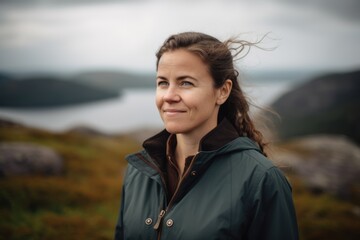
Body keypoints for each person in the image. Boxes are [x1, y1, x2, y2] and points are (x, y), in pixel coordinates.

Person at [114, 32, 299, 240]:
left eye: (186, 83)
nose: (169, 96)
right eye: (163, 83)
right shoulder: (138, 172)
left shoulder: (261, 180)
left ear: (222, 91)